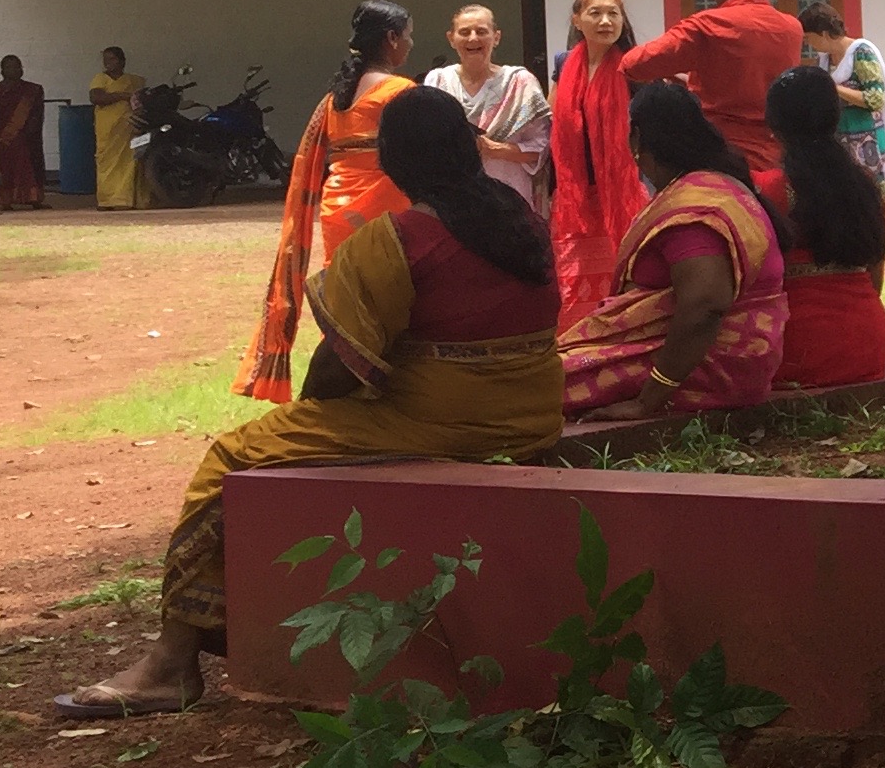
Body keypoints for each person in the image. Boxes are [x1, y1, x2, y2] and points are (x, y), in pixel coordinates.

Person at [53, 86, 563, 719]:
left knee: (229, 458)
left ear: (392, 159)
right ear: (466, 146)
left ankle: (171, 662)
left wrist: (317, 403)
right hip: (534, 414)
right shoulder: (522, 218)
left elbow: (337, 370)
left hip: (443, 423)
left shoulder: (399, 237)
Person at [558, 81, 788, 420]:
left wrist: (646, 401)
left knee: (534, 391)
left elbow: (705, 306)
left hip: (711, 365)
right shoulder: (713, 186)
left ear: (636, 138)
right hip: (715, 356)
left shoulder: (697, 209)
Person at [238, 4, 420, 401]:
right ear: (391, 39)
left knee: (344, 290)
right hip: (384, 202)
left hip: (338, 205)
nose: (410, 43)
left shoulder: (336, 96)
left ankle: (340, 376)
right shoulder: (400, 93)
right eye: (407, 35)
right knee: (390, 291)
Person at [759, 64, 885, 390]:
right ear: (834, 118)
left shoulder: (769, 189)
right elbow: (874, 276)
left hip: (795, 349)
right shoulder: (864, 186)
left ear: (774, 125)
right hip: (868, 345)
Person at [625, 0, 804, 174]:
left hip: (721, 156)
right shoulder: (792, 28)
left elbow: (635, 64)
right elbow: (750, 77)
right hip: (777, 155)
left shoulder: (708, 25)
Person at [549, 0, 649, 326]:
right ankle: (578, 340)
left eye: (613, 14)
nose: (606, 21)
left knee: (620, 271)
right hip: (574, 195)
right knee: (572, 277)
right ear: (577, 20)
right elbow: (554, 122)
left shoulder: (634, 66)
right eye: (595, 13)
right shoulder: (564, 63)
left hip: (622, 190)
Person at [424, 4, 552, 213]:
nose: (473, 38)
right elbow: (426, 144)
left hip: (508, 199)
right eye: (464, 32)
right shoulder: (437, 81)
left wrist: (492, 149)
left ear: (496, 37)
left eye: (482, 31)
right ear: (451, 38)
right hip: (453, 200)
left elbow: (542, 146)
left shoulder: (520, 83)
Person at [801, 2, 885, 210]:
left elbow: (875, 98)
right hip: (838, 143)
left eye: (809, 38)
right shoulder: (824, 60)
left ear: (823, 33)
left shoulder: (861, 53)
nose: (808, 43)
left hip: (866, 143)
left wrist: (833, 88)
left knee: (869, 204)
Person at [89, 48, 150, 209]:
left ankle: (124, 200)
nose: (107, 63)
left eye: (112, 59)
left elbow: (143, 99)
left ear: (122, 61)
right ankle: (107, 200)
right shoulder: (100, 79)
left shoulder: (134, 80)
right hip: (108, 130)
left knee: (130, 162)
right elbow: (96, 98)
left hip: (130, 127)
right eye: (105, 59)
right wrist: (123, 96)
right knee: (106, 163)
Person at [0, 56, 44, 210]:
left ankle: (33, 199)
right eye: (9, 67)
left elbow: (37, 114)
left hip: (27, 137)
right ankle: (6, 201)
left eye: (17, 66)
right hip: (3, 138)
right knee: (6, 169)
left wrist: (30, 130)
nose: (14, 70)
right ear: (2, 71)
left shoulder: (33, 90)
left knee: (29, 167)